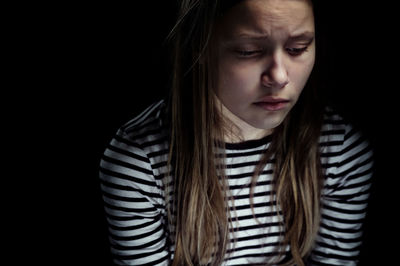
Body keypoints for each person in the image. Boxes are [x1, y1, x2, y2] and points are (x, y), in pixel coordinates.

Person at [99, 0, 374, 265]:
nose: (279, 77)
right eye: (248, 50)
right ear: (199, 48)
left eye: (297, 48)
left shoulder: (340, 151)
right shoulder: (138, 164)